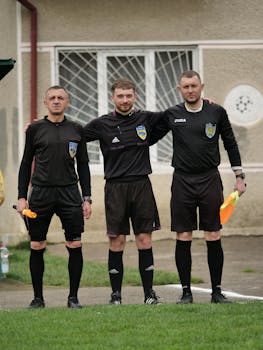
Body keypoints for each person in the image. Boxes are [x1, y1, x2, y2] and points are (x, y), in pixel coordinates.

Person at [150, 70, 246, 304]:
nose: (190, 90)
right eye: (186, 87)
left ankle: (216, 291)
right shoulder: (172, 114)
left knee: (213, 233)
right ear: (179, 89)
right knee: (183, 235)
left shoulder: (216, 112)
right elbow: (149, 136)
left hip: (209, 179)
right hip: (182, 181)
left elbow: (230, 143)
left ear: (201, 86)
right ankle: (186, 293)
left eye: (194, 86)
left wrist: (239, 175)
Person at [83, 78, 166, 304]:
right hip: (115, 188)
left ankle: (149, 295)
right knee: (117, 241)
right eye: (120, 96)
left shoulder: (146, 119)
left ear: (135, 96)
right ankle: (116, 296)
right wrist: (43, 126)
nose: (125, 100)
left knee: (144, 239)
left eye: (129, 95)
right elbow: (74, 135)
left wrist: (205, 106)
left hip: (141, 185)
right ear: (113, 98)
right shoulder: (101, 124)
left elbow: (177, 117)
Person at [17, 85, 92, 309]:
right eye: (52, 98)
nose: (57, 101)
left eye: (61, 98)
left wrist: (87, 198)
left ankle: (73, 298)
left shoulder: (77, 129)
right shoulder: (35, 129)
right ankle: (38, 298)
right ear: (45, 102)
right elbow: (24, 164)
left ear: (67, 102)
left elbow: (84, 166)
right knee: (37, 244)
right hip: (41, 193)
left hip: (70, 192)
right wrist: (22, 197)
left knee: (75, 243)